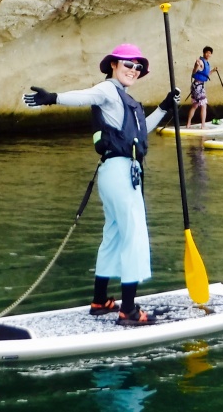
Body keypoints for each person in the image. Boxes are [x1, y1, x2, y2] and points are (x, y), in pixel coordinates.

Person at [23, 43, 179, 327]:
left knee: (115, 234)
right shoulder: (108, 90)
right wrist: (53, 98)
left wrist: (165, 107)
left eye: (138, 67)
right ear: (113, 65)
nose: (134, 70)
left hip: (115, 171)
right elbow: (86, 96)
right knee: (134, 235)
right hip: (120, 171)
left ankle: (100, 300)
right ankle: (129, 310)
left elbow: (142, 128)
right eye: (127, 64)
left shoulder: (123, 99)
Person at [184, 46, 215, 129]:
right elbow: (194, 71)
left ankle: (188, 124)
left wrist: (213, 70)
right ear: (203, 53)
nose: (208, 54)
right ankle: (203, 126)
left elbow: (206, 74)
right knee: (204, 105)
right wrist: (196, 66)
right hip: (198, 86)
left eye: (209, 53)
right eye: (207, 52)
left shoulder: (206, 63)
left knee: (195, 105)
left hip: (196, 86)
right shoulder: (201, 61)